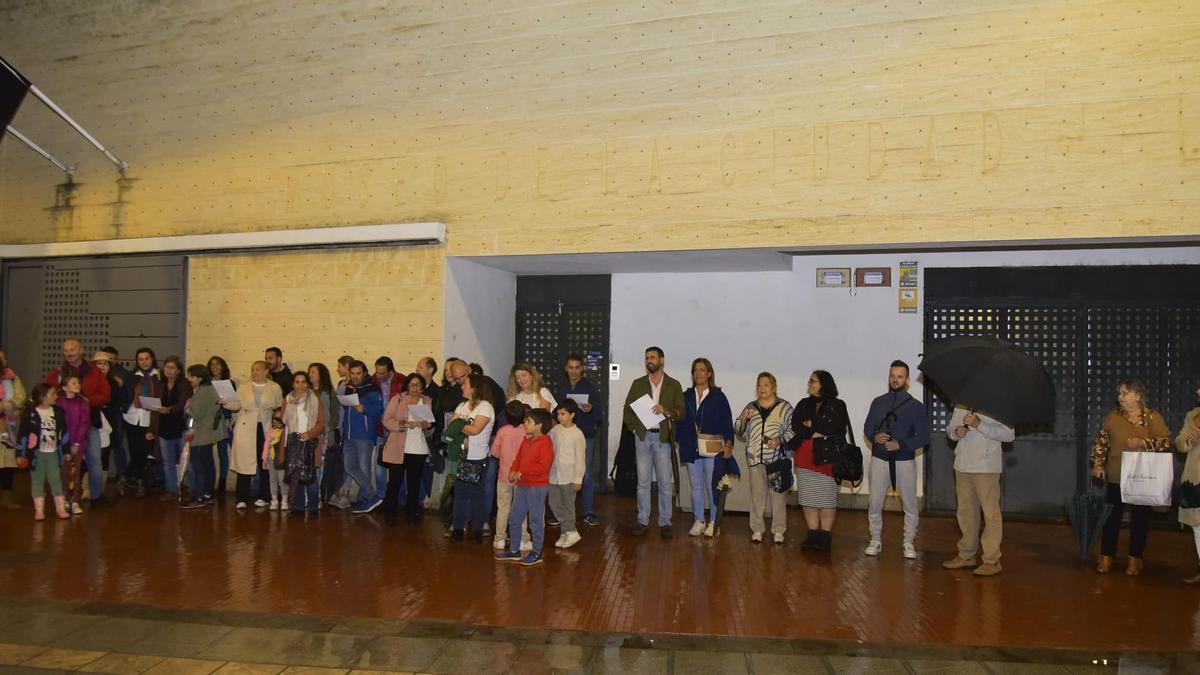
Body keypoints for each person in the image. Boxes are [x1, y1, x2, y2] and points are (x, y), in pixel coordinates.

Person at [1090, 379, 1172, 576]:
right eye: (1119, 394)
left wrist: (1143, 443)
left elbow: (1167, 442)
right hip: (1117, 475)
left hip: (1143, 478)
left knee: (1140, 519)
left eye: (1125, 393)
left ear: (1138, 396)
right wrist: (1098, 464)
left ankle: (1135, 560)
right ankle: (1106, 557)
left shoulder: (1153, 417)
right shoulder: (1113, 418)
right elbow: (1101, 441)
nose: (1120, 398)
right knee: (1111, 518)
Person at [862, 360, 930, 559]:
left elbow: (924, 437)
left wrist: (901, 445)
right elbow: (867, 427)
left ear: (907, 380)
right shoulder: (878, 402)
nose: (895, 379)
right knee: (874, 502)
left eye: (900, 376)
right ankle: (875, 539)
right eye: (892, 376)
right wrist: (874, 437)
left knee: (909, 504)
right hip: (879, 459)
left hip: (905, 461)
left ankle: (908, 542)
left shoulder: (916, 406)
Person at [942, 406, 1015, 577]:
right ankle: (966, 555)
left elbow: (1009, 434)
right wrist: (956, 432)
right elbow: (951, 428)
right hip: (962, 464)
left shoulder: (999, 404)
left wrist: (979, 424)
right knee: (965, 513)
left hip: (986, 467)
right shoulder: (961, 404)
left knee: (991, 514)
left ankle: (991, 560)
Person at [622, 346, 684, 539]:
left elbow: (681, 411)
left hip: (663, 438)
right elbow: (627, 410)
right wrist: (634, 428)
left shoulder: (674, 385)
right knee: (643, 482)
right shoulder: (638, 383)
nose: (649, 360)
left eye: (653, 357)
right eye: (647, 357)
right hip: (642, 437)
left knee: (665, 483)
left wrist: (666, 410)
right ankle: (642, 520)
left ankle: (665, 521)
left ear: (662, 361)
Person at [787, 370, 853, 552]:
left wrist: (811, 425)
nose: (809, 384)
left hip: (827, 459)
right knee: (808, 499)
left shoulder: (838, 405)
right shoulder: (803, 404)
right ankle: (812, 534)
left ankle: (825, 536)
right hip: (804, 458)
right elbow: (797, 426)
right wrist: (813, 429)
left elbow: (833, 427)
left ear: (824, 384)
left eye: (813, 381)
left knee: (826, 500)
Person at [44, 339, 111, 508]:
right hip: (65, 426)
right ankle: (65, 498)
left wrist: (88, 401)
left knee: (95, 460)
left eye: (72, 349)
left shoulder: (94, 371)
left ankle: (96, 496)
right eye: (65, 350)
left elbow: (105, 394)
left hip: (90, 422)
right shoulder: (57, 373)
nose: (69, 353)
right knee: (64, 463)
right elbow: (46, 394)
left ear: (81, 350)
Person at [675, 358, 735, 538]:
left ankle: (714, 522)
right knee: (696, 486)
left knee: (712, 485)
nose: (699, 373)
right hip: (691, 447)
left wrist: (729, 443)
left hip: (713, 448)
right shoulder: (685, 396)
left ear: (709, 374)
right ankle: (699, 520)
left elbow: (727, 421)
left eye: (702, 370)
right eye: (695, 370)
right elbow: (678, 421)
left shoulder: (718, 396)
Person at [736, 372, 793, 544]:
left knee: (778, 497)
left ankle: (778, 530)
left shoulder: (785, 407)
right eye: (759, 385)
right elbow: (738, 429)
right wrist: (744, 420)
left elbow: (792, 430)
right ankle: (757, 529)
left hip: (776, 460)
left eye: (766, 385)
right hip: (754, 460)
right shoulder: (750, 407)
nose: (762, 388)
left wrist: (780, 440)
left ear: (773, 387)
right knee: (757, 496)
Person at [495, 408, 555, 567]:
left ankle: (537, 552)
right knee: (515, 517)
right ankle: (514, 549)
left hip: (536, 486)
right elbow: (517, 459)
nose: (524, 423)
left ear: (539, 425)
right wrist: (513, 471)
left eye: (528, 421)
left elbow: (543, 466)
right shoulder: (526, 441)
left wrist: (521, 472)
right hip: (522, 485)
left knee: (535, 520)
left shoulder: (546, 443)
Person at [224, 361, 284, 510]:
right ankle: (241, 497)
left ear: (265, 371)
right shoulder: (244, 387)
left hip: (266, 427)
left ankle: (264, 496)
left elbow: (279, 406)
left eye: (257, 369)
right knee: (244, 463)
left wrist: (278, 426)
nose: (254, 372)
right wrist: (224, 402)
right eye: (252, 370)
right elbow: (236, 405)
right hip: (246, 427)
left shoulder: (274, 387)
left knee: (264, 461)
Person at [556, 353, 604, 526]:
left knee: (586, 473)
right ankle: (561, 510)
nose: (574, 371)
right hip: (564, 435)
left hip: (585, 436)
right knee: (562, 470)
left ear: (582, 368)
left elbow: (599, 416)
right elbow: (555, 413)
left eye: (577, 367)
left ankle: (588, 511)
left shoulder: (591, 388)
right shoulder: (561, 389)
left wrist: (590, 409)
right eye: (571, 367)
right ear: (566, 369)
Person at [381, 373, 434, 526]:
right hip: (398, 446)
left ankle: (412, 511)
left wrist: (425, 424)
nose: (415, 388)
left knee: (414, 482)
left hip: (418, 447)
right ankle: (390, 512)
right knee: (395, 482)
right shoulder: (397, 399)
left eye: (418, 385)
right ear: (407, 386)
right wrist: (402, 425)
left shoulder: (426, 401)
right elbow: (387, 420)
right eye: (412, 385)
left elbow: (429, 422)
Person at [450, 373, 495, 542]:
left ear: (475, 388)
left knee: (477, 495)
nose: (461, 386)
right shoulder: (462, 406)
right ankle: (458, 528)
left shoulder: (485, 407)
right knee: (459, 493)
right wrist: (463, 426)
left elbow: (476, 429)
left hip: (477, 458)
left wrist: (460, 425)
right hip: (460, 455)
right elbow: (451, 428)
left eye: (465, 384)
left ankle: (477, 530)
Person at [16, 383, 69, 520]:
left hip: (53, 452)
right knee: (37, 480)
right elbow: (22, 435)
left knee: (55, 479)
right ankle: (39, 510)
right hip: (36, 454)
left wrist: (66, 450)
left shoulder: (58, 412)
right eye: (52, 394)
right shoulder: (30, 415)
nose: (55, 396)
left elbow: (64, 434)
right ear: (42, 397)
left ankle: (60, 508)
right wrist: (20, 454)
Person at [281, 371, 325, 520]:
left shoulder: (315, 400)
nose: (300, 385)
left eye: (303, 382)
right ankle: (298, 507)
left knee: (310, 476)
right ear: (293, 384)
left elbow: (321, 423)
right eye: (297, 382)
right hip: (293, 442)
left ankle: (313, 507)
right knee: (296, 475)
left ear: (308, 384)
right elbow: (282, 422)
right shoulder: (287, 400)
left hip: (310, 443)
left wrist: (309, 434)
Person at [342, 360, 384, 514]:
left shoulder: (372, 388)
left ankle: (364, 500)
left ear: (365, 373)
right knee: (349, 467)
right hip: (348, 435)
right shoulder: (349, 388)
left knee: (364, 468)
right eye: (352, 373)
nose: (355, 376)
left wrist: (364, 409)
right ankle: (373, 496)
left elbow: (379, 409)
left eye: (358, 373)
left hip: (364, 435)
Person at [149, 356, 193, 503]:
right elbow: (155, 408)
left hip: (180, 425)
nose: (169, 370)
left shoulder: (185, 384)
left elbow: (182, 404)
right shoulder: (160, 384)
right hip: (163, 426)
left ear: (179, 371)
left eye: (173, 368)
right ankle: (172, 490)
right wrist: (151, 429)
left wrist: (169, 410)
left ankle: (190, 488)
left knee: (185, 460)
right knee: (167, 461)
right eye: (167, 367)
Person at [182, 364, 225, 509]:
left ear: (200, 378)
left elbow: (196, 413)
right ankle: (208, 493)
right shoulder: (209, 389)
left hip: (201, 433)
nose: (189, 379)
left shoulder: (203, 391)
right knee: (208, 464)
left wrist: (188, 406)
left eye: (192, 376)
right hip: (208, 433)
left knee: (199, 466)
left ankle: (200, 497)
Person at [491, 400, 532, 551]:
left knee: (503, 507)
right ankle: (522, 539)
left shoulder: (502, 431)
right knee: (521, 508)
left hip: (504, 476)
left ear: (506, 416)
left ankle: (500, 539)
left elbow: (494, 452)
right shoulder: (527, 432)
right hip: (522, 476)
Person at [120, 348, 160, 497]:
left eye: (147, 358)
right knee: (134, 451)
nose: (144, 362)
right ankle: (137, 481)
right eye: (140, 359)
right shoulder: (131, 376)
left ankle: (130, 478)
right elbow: (124, 395)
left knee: (144, 452)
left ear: (152, 359)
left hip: (149, 419)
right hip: (132, 417)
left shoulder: (158, 376)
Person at [549, 399, 586, 548]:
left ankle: (568, 531)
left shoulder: (578, 434)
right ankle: (568, 531)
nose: (559, 417)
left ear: (572, 415)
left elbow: (580, 459)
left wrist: (578, 479)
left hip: (569, 477)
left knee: (569, 505)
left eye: (563, 414)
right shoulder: (555, 430)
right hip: (553, 476)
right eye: (558, 414)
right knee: (554, 503)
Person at [57, 375, 91, 515]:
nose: (77, 385)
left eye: (78, 382)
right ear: (65, 387)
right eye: (73, 383)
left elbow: (84, 423)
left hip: (78, 443)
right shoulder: (58, 402)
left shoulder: (83, 402)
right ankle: (64, 498)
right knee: (64, 472)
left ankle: (75, 500)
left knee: (75, 472)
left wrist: (77, 442)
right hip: (62, 443)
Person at [1177, 387, 1200, 585]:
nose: (1199, 391)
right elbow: (1179, 442)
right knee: (1197, 526)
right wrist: (1191, 441)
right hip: (1194, 478)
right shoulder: (1193, 415)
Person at [93, 351, 124, 494]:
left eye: (105, 364)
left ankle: (100, 487)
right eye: (98, 363)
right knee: (92, 454)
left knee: (105, 453)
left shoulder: (114, 382)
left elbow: (118, 401)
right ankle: (88, 487)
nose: (102, 366)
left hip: (110, 420)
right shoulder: (87, 380)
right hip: (92, 419)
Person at [0, 349, 27, 510]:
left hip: (9, 427)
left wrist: (11, 405)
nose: (2, 361)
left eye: (3, 358)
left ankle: (7, 495)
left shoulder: (12, 377)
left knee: (9, 462)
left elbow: (21, 396)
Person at [208, 355, 236, 497]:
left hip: (224, 420)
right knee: (207, 453)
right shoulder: (206, 383)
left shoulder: (229, 383)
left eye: (217, 364)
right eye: (212, 365)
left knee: (222, 452)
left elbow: (234, 402)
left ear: (223, 366)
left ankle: (222, 481)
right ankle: (209, 481)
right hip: (208, 422)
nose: (214, 367)